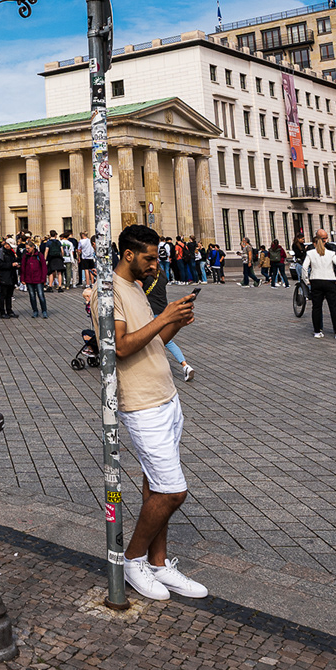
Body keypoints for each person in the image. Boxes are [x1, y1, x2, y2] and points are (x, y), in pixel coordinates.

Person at [110, 223, 207, 601]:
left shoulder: (135, 286)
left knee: (156, 485)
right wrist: (164, 316)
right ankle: (131, 560)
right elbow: (120, 347)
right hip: (142, 404)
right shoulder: (111, 291)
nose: (155, 265)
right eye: (149, 258)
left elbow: (149, 344)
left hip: (166, 396)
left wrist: (174, 325)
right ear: (128, 255)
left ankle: (158, 563)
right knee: (173, 491)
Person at [137, 261, 196, 380]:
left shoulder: (145, 276)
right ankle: (185, 365)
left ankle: (150, 367)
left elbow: (137, 291)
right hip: (164, 310)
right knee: (166, 341)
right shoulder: (162, 275)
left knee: (149, 339)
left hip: (149, 311)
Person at [302, 229, 336, 338]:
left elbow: (304, 267)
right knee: (333, 308)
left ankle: (317, 331)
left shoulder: (310, 253)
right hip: (330, 280)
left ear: (314, 243)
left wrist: (306, 280)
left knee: (316, 307)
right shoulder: (331, 253)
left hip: (316, 280)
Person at [19, 238, 48, 317]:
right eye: (26, 248)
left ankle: (44, 310)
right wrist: (22, 279)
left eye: (28, 248)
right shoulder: (26, 256)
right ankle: (35, 310)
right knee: (32, 296)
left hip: (38, 278)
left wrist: (43, 279)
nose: (27, 250)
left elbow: (44, 267)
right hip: (29, 279)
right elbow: (23, 268)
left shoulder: (39, 255)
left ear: (33, 247)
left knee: (41, 295)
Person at [0, 237, 19, 317]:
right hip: (4, 276)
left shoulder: (11, 252)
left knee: (9, 294)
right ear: (6, 244)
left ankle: (9, 310)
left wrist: (16, 265)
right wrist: (11, 265)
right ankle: (2, 312)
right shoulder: (1, 252)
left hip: (11, 276)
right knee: (3, 294)